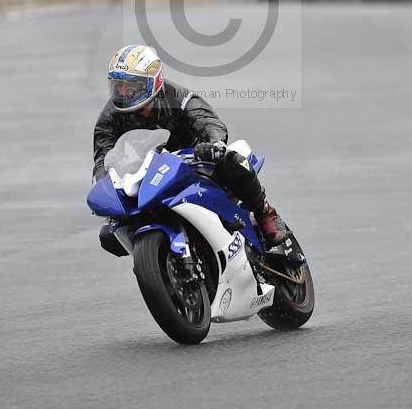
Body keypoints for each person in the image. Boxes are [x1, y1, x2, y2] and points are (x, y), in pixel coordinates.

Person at [93, 44, 287, 254]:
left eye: (129, 85)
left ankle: (264, 210)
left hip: (193, 162)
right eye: (117, 85)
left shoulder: (179, 98)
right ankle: (158, 262)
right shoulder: (110, 116)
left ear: (150, 82)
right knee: (110, 233)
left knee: (232, 160)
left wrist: (213, 145)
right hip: (147, 175)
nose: (122, 91)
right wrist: (103, 182)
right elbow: (103, 155)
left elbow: (209, 122)